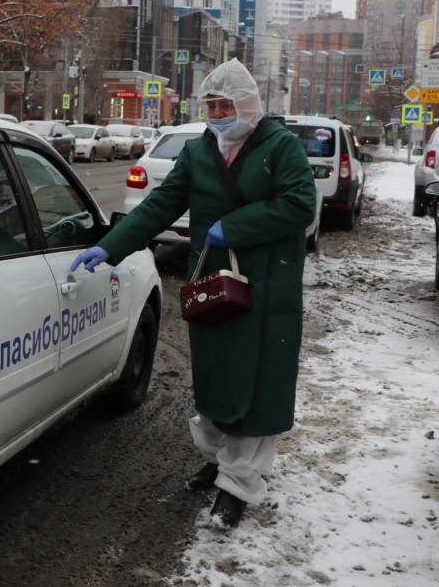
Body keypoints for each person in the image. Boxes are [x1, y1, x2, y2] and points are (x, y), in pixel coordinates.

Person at [71, 59, 316, 528]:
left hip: (265, 286)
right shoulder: (201, 150)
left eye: (227, 104)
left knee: (256, 383)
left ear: (248, 105)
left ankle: (238, 487)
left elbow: (300, 204)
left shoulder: (279, 146)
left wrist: (236, 226)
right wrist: (110, 246)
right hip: (213, 283)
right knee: (216, 373)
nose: (220, 113)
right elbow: (162, 203)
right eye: (213, 105)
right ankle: (219, 460)